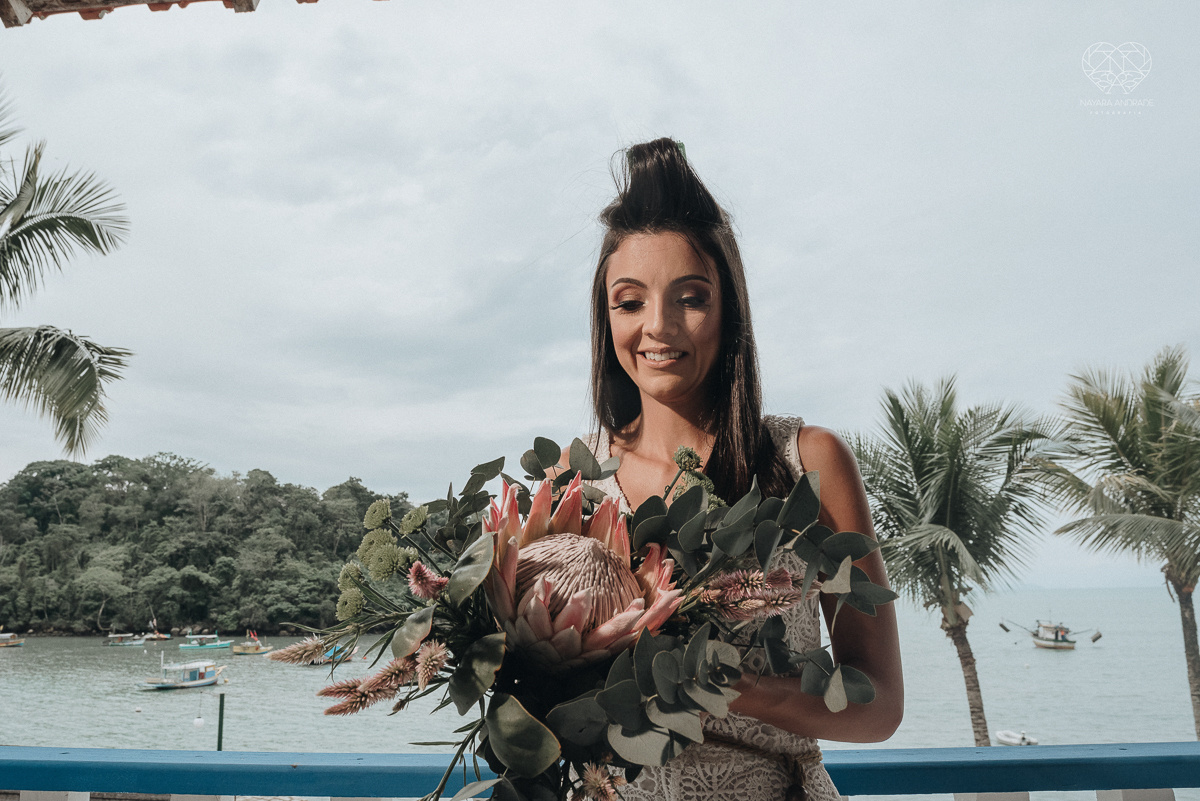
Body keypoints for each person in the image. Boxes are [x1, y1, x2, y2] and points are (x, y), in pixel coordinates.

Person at [577, 138, 903, 801]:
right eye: (630, 301)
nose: (658, 327)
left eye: (689, 297)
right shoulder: (575, 485)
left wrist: (732, 689)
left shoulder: (806, 462)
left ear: (729, 307)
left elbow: (879, 704)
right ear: (606, 315)